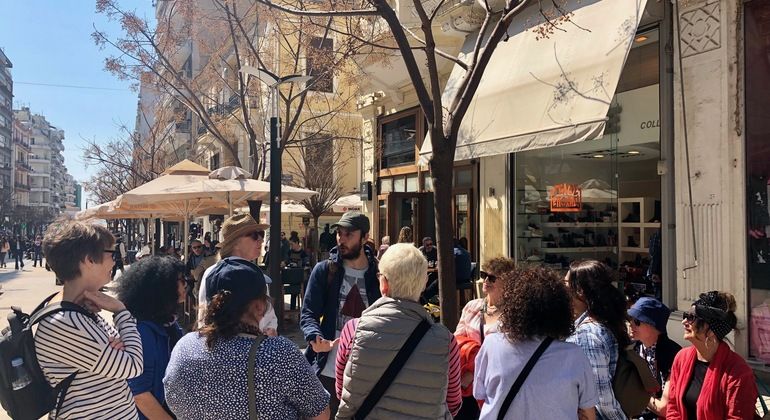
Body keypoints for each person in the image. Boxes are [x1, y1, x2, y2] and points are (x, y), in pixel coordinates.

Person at [164, 258, 331, 419]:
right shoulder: (280, 354)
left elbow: (172, 400)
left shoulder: (184, 348)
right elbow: (320, 412)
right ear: (259, 306)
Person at [334, 243, 461, 418]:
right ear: (423, 284)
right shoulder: (446, 341)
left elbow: (342, 391)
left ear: (383, 284)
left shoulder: (353, 331)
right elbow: (453, 402)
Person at [34, 220, 143, 418]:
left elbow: (124, 354)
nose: (115, 261)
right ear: (88, 260)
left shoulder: (78, 309)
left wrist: (121, 347)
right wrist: (121, 312)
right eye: (112, 254)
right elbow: (134, 365)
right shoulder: (65, 322)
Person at [474, 266, 598, 419]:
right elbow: (588, 413)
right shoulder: (574, 355)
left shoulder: (491, 344)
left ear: (512, 306)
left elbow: (480, 394)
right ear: (560, 310)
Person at [301, 211, 380, 416]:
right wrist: (314, 337)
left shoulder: (379, 274)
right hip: (329, 369)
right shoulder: (325, 270)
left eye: (349, 234)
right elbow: (308, 312)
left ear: (364, 237)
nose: (341, 239)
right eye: (339, 233)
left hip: (369, 371)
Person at [664, 291, 758, 420]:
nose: (684, 321)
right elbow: (673, 407)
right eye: (685, 315)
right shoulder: (681, 358)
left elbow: (737, 417)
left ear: (711, 330)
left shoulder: (738, 373)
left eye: (691, 317)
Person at [117, 256, 186, 420]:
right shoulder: (143, 332)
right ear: (161, 287)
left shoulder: (168, 323)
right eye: (181, 280)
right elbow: (140, 394)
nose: (186, 284)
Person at [565, 260, 629, 420]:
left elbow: (601, 395)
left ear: (579, 291)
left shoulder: (587, 335)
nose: (562, 287)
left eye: (566, 282)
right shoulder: (601, 323)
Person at [453, 257, 516, 419]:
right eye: (483, 275)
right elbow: (458, 341)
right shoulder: (472, 307)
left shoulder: (513, 314)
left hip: (497, 384)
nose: (485, 280)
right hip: (467, 384)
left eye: (492, 278)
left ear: (507, 283)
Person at [197, 214, 277, 335]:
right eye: (254, 235)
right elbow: (205, 317)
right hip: (245, 345)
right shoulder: (213, 273)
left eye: (261, 234)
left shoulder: (212, 272)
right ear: (235, 243)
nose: (261, 240)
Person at [627, 297, 681, 419]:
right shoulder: (633, 349)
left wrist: (636, 394)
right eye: (630, 319)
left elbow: (664, 408)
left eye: (637, 321)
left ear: (654, 326)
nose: (631, 324)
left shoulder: (673, 355)